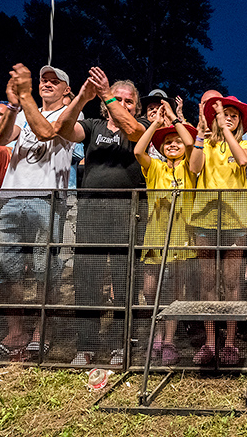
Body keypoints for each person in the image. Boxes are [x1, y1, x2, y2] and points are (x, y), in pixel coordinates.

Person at [0, 64, 77, 362]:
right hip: (11, 196)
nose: (47, 84)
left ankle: (41, 331)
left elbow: (46, 133)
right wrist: (13, 105)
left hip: (48, 198)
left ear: (66, 89)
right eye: (43, 80)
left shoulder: (71, 114)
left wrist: (26, 96)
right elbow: (1, 138)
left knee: (47, 272)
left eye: (54, 81)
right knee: (2, 266)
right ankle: (15, 330)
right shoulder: (22, 111)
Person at [54, 68, 148, 366]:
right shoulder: (93, 125)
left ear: (136, 106)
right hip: (92, 210)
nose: (122, 104)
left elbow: (133, 130)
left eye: (128, 100)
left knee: (125, 280)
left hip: (128, 211)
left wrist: (107, 94)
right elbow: (63, 129)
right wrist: (82, 96)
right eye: (117, 99)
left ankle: (123, 344)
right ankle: (87, 345)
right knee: (87, 278)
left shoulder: (142, 124)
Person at [188, 95, 247, 365]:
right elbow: (194, 168)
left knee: (232, 282)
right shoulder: (205, 143)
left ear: (239, 122)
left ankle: (229, 342)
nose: (227, 117)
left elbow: (242, 161)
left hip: (234, 222)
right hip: (205, 221)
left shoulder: (245, 143)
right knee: (207, 283)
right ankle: (209, 342)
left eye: (233, 115)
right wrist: (201, 135)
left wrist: (225, 129)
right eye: (223, 113)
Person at [133, 102, 197, 366]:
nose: (173, 144)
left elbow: (193, 145)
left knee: (175, 290)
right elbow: (138, 150)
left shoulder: (189, 168)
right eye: (167, 142)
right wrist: (156, 126)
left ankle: (169, 340)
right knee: (150, 288)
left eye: (176, 141)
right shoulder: (155, 168)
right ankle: (156, 333)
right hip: (156, 234)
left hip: (182, 234)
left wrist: (175, 120)